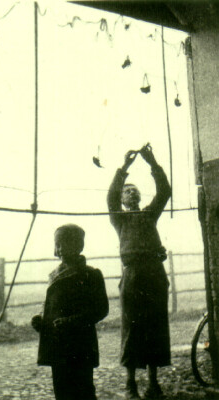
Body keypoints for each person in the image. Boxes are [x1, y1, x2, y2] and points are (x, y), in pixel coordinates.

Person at [107, 144, 172, 399]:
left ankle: (153, 384)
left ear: (139, 197)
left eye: (134, 190)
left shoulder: (149, 215)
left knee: (155, 325)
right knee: (132, 328)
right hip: (132, 276)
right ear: (123, 200)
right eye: (126, 191)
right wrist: (124, 169)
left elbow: (165, 191)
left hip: (155, 274)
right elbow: (110, 196)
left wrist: (152, 161)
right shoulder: (119, 219)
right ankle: (131, 384)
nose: (130, 192)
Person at [31, 224, 109, 400]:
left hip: (80, 344)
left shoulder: (91, 274)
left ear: (78, 245)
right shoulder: (54, 274)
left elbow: (101, 309)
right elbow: (52, 305)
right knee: (62, 390)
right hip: (57, 344)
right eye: (56, 244)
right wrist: (41, 321)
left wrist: (72, 321)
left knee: (83, 390)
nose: (57, 249)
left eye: (62, 243)